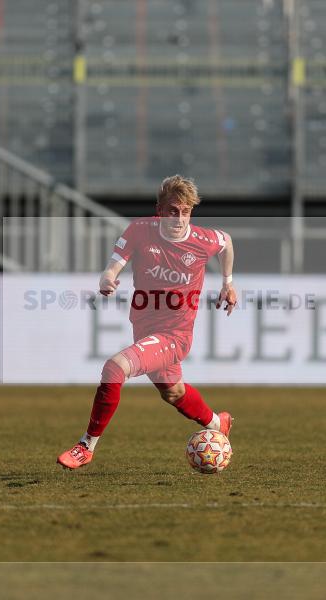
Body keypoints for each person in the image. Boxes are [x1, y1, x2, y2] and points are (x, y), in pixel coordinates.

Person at [57, 175, 238, 469]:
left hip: (174, 336)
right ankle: (218, 423)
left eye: (186, 211)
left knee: (115, 367)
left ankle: (86, 446)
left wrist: (228, 282)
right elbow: (115, 264)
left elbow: (226, 242)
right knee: (173, 392)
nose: (179, 219)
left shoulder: (203, 240)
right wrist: (108, 277)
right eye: (173, 211)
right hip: (144, 328)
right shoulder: (141, 230)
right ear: (159, 210)